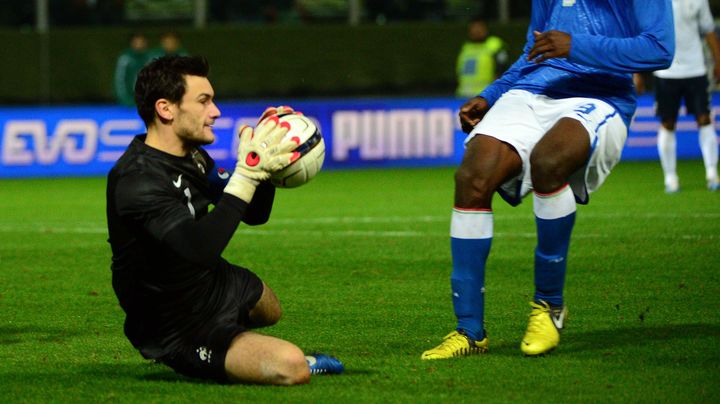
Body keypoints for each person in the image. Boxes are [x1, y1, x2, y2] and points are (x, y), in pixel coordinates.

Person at [422, 0, 674, 360]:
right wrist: (490, 95)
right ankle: (469, 331)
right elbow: (535, 51)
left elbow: (659, 48)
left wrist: (575, 45)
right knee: (471, 177)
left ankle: (549, 307)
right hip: (531, 92)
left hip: (599, 94)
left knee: (549, 162)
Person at [106, 55, 343, 384]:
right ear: (166, 109)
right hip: (172, 320)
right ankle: (206, 352)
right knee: (291, 367)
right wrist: (246, 175)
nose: (215, 111)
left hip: (204, 282)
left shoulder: (192, 156)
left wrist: (264, 169)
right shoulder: (138, 180)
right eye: (204, 101)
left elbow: (255, 215)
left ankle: (231, 343)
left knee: (270, 307)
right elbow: (199, 249)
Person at [649, 0, 720, 192]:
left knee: (704, 119)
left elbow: (709, 30)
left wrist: (718, 60)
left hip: (696, 68)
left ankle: (712, 173)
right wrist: (637, 71)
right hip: (666, 71)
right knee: (667, 123)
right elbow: (644, 31)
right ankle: (670, 178)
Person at [455, 17, 509, 98]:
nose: (476, 31)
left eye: (479, 27)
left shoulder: (494, 44)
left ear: (486, 29)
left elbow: (502, 69)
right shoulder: (466, 47)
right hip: (463, 94)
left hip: (485, 96)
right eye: (473, 27)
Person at [113, 33, 151, 106]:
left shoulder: (150, 57)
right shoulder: (125, 58)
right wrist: (126, 99)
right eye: (136, 42)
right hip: (126, 103)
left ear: (146, 43)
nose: (139, 44)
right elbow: (119, 80)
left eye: (141, 42)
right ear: (131, 43)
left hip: (147, 103)